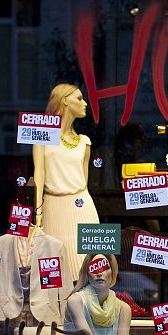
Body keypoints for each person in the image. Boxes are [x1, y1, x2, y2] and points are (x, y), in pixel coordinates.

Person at [33, 83, 99, 279]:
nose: (85, 103)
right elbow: (39, 174)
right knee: (54, 268)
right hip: (53, 206)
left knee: (87, 266)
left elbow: (84, 183)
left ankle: (86, 307)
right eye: (79, 98)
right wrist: (37, 212)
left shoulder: (84, 142)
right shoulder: (42, 136)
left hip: (81, 206)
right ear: (64, 100)